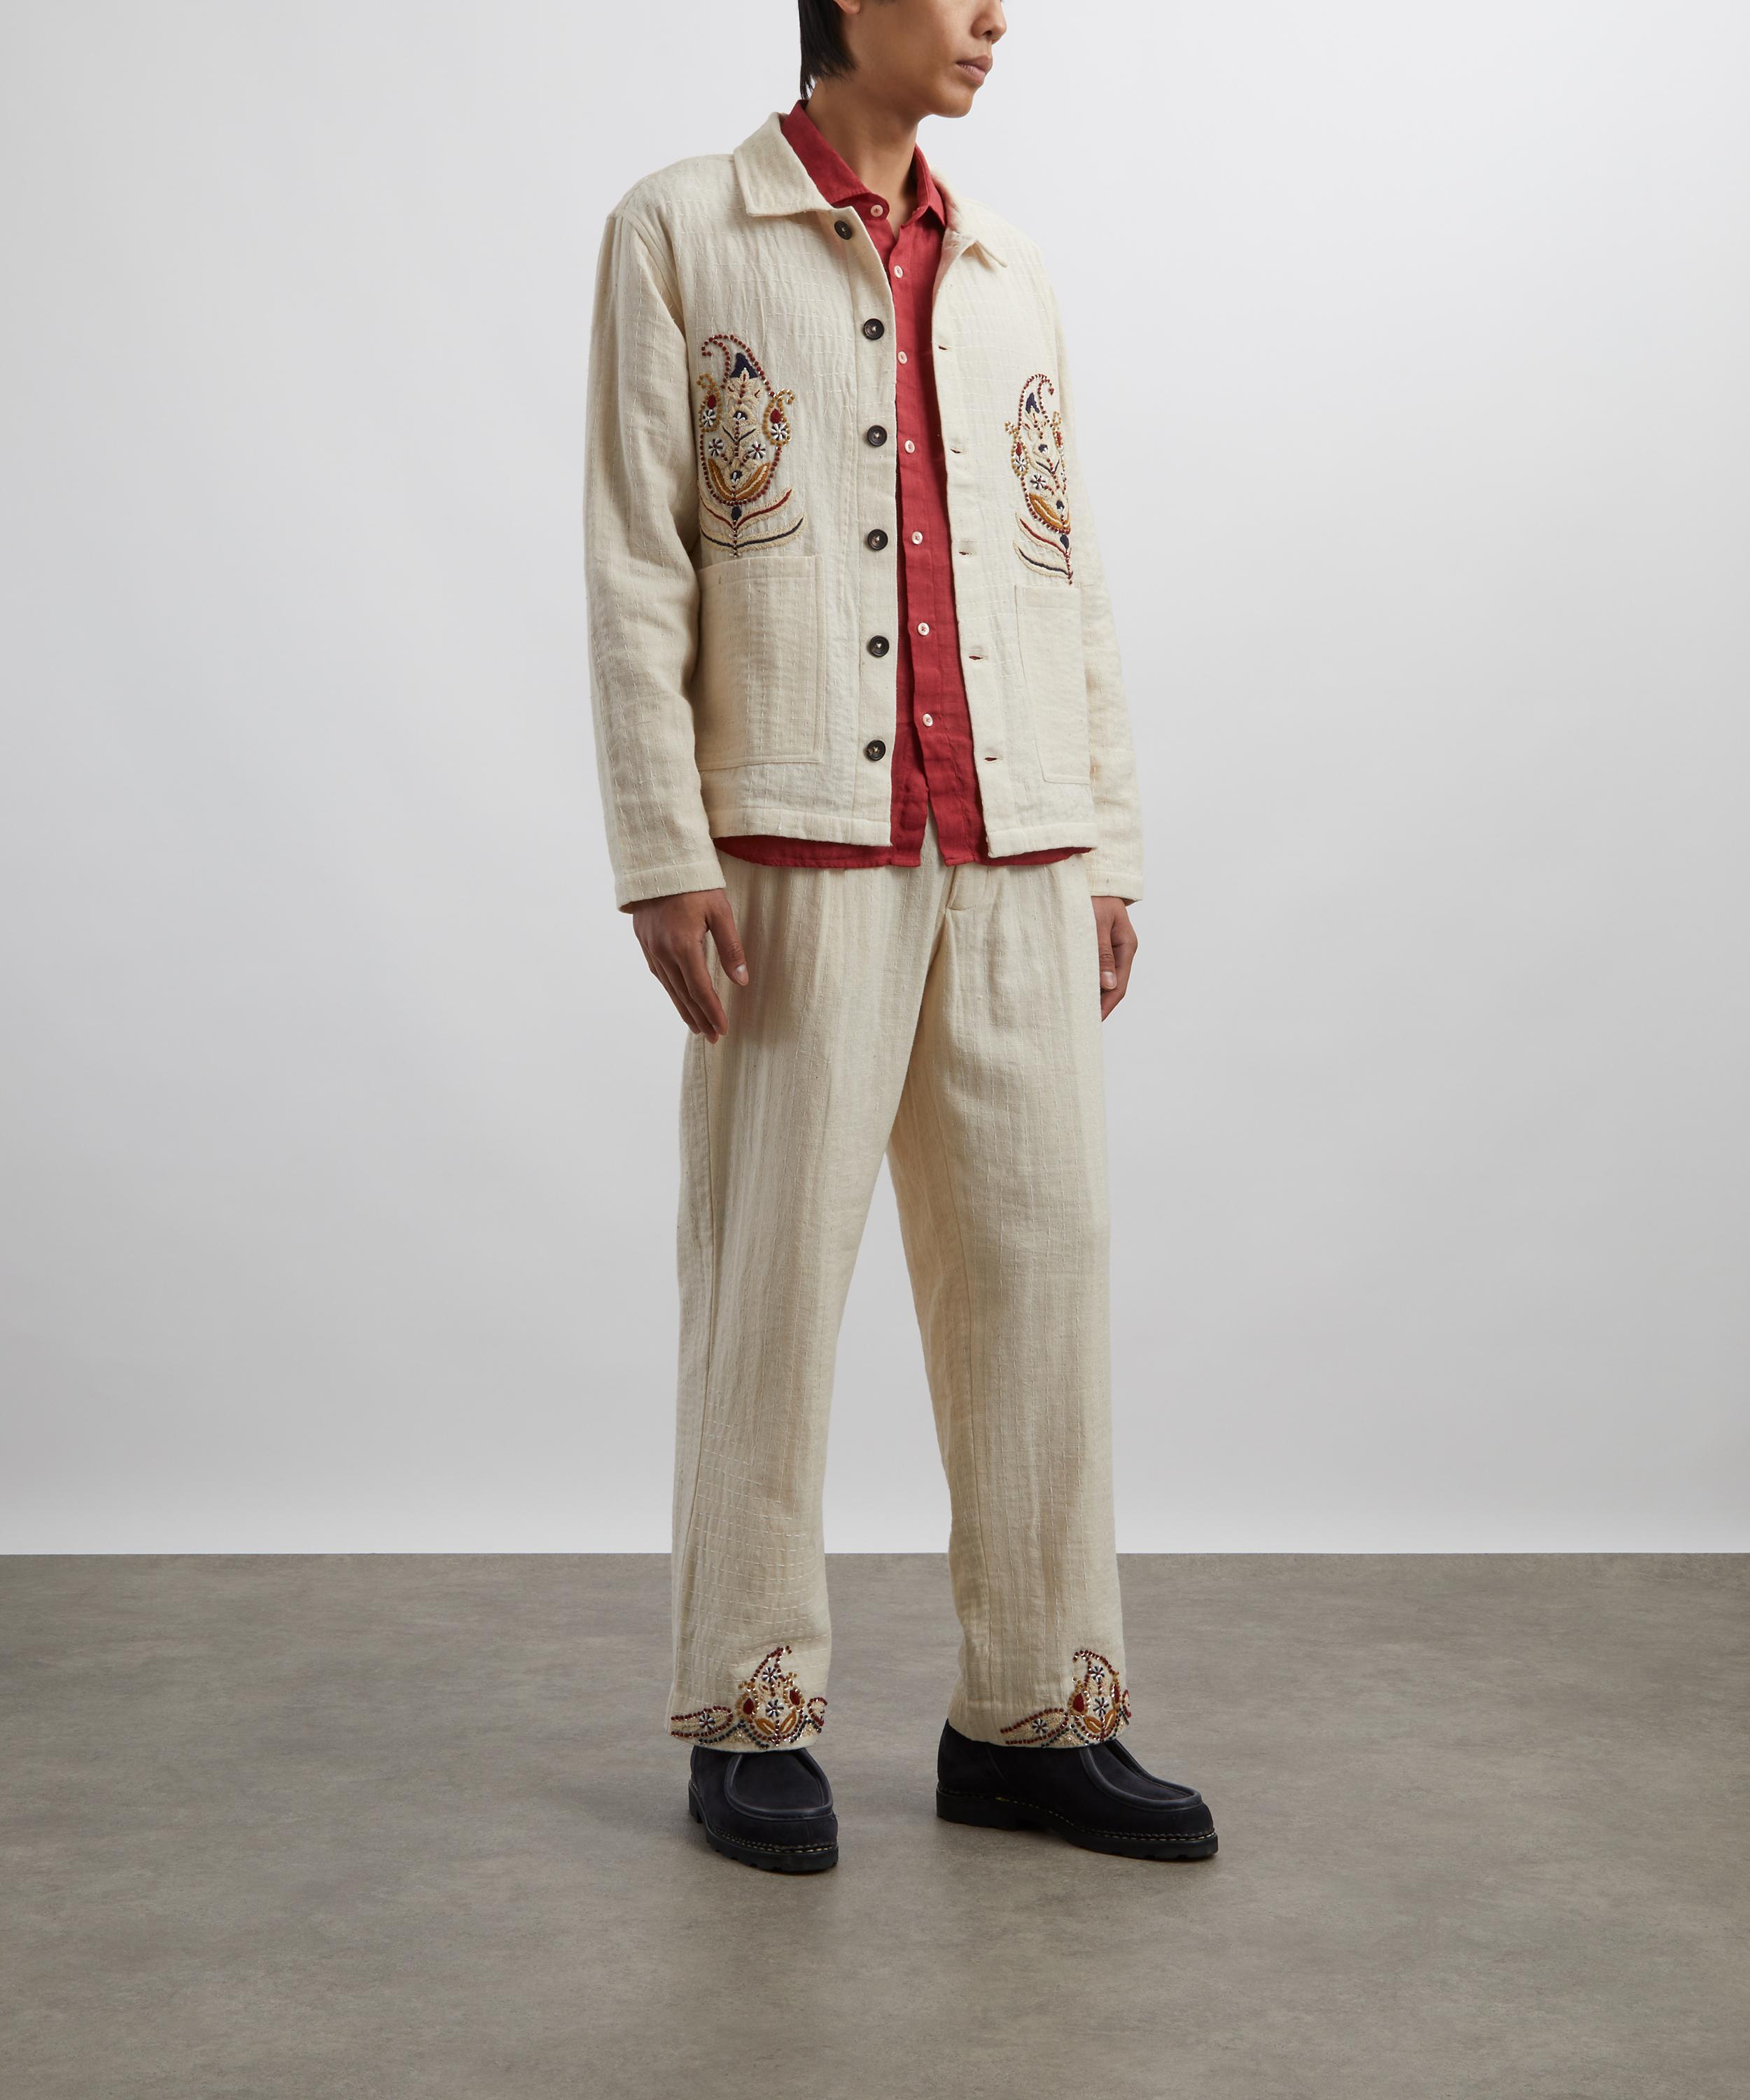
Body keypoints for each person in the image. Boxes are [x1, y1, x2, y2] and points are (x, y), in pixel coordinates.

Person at [583, 0, 1217, 1872]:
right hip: (795, 840)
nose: (994, 15)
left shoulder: (1008, 270)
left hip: (1014, 838)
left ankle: (1033, 1717)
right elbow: (636, 559)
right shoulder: (682, 228)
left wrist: (1103, 843)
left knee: (1040, 1269)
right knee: (770, 1284)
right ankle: (748, 1712)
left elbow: (1067, 569)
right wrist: (660, 846)